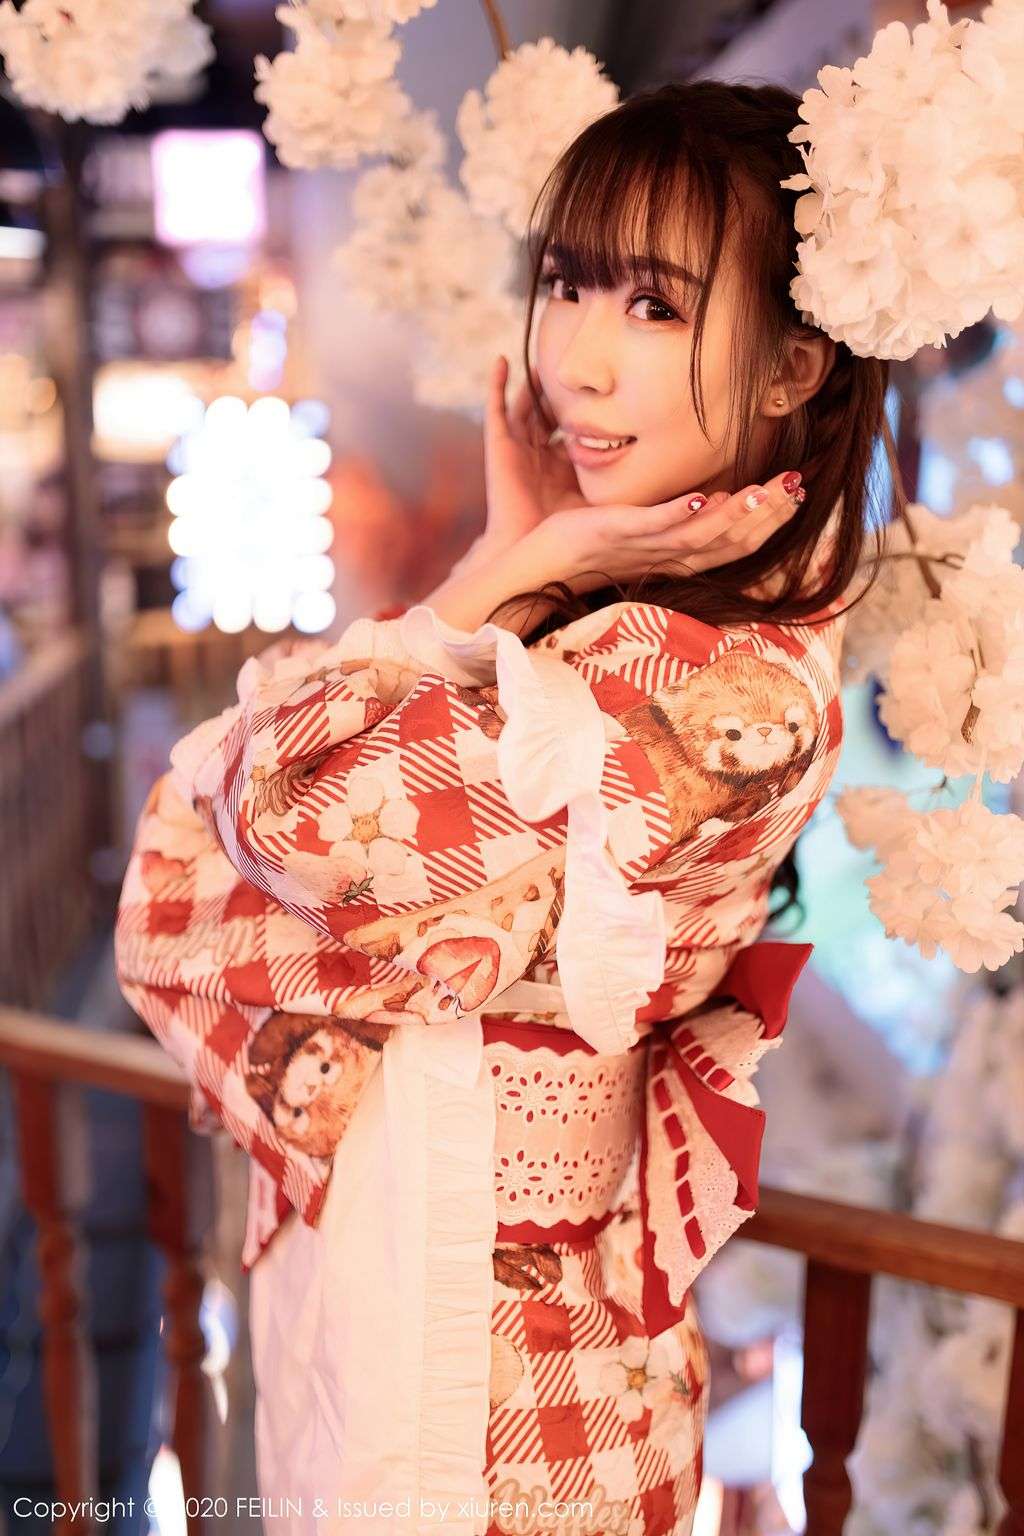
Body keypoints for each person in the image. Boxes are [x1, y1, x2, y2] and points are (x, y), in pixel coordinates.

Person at [115, 80, 898, 1536]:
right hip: (439, 1337)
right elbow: (200, 878)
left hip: (519, 1413)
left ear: (794, 367)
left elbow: (269, 822)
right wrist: (520, 559)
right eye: (566, 285)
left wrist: (516, 576)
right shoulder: (607, 634)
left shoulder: (720, 693)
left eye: (654, 308)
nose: (576, 361)